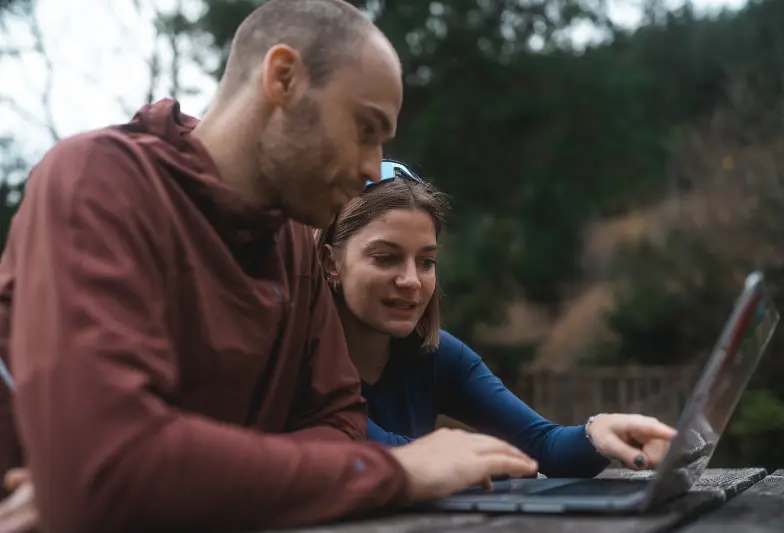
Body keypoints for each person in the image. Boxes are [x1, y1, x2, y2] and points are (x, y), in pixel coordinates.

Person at [0, 1, 540, 532]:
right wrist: (392, 470)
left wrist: (166, 483)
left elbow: (338, 425)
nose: (370, 168)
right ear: (283, 78)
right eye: (365, 129)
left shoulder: (297, 247)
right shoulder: (100, 183)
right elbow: (107, 468)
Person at [315, 159, 678, 478]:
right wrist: (490, 462)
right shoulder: (300, 367)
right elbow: (397, 459)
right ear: (332, 263)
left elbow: (542, 445)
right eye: (385, 257)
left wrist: (597, 434)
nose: (411, 280)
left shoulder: (439, 357)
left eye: (426, 261)